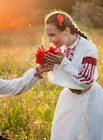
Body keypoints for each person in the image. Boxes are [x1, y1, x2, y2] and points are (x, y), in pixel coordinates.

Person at [44, 10, 103, 140]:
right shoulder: (62, 49)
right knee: (63, 133)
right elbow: (61, 77)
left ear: (66, 31)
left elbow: (86, 80)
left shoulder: (89, 48)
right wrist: (49, 66)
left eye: (53, 35)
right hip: (70, 97)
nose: (50, 40)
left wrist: (63, 62)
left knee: (86, 134)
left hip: (89, 99)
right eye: (48, 35)